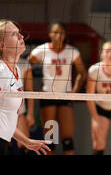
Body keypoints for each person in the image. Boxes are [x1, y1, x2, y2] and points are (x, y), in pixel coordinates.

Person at [28, 21, 87, 155]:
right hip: (48, 95)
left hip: (65, 95)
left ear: (65, 34)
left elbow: (82, 72)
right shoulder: (42, 50)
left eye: (61, 32)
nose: (58, 35)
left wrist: (75, 91)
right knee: (51, 140)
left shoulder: (72, 51)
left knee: (68, 140)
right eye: (55, 32)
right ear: (49, 34)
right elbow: (26, 65)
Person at [0, 19, 50, 155]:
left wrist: (25, 140)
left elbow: (5, 120)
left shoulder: (16, 69)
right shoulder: (0, 70)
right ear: (1, 45)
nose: (22, 36)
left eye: (19, 33)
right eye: (14, 34)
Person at [15, 56, 35, 155]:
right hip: (2, 111)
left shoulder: (24, 63)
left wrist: (30, 113)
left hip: (19, 112)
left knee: (24, 145)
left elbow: (30, 91)